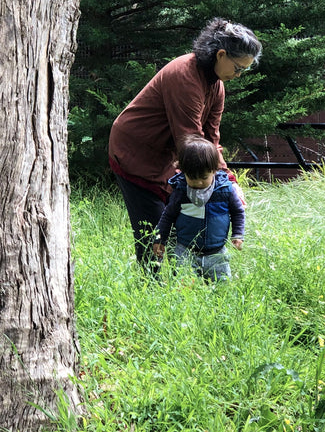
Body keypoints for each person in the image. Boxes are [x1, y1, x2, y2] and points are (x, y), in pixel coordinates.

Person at [108, 18, 261, 273]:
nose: (238, 75)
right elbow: (189, 137)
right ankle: (151, 291)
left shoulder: (217, 85)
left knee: (183, 224)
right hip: (135, 153)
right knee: (154, 231)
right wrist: (217, 182)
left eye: (243, 70)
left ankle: (183, 286)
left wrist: (228, 180)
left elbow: (211, 137)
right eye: (237, 68)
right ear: (221, 54)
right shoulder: (185, 75)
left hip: (168, 158)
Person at [151, 136, 245, 281]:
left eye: (203, 177)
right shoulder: (181, 191)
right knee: (184, 286)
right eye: (192, 177)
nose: (198, 182)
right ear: (183, 172)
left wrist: (238, 234)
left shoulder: (225, 190)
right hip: (185, 251)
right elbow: (168, 215)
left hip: (217, 252)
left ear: (214, 170)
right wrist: (160, 239)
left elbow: (238, 212)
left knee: (222, 286)